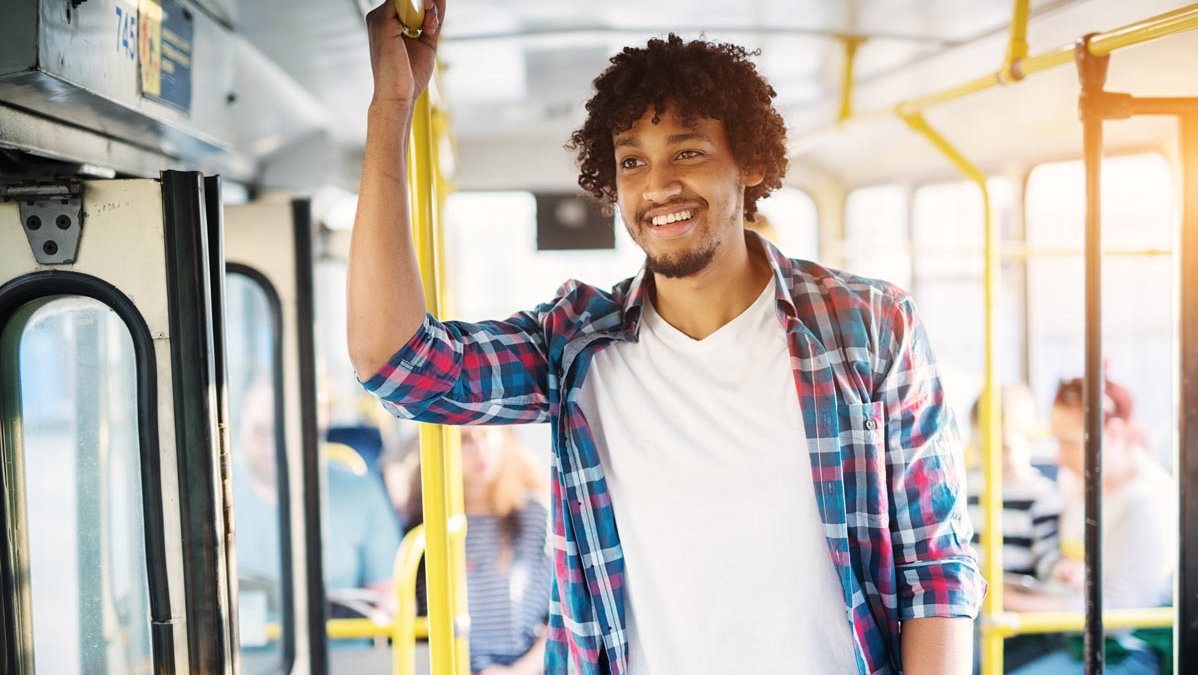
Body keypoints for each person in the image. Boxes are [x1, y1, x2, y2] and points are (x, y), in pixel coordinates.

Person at [349, 3, 985, 672]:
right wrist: (390, 108)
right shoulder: (576, 347)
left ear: (751, 164)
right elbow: (395, 363)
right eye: (631, 162)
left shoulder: (870, 327)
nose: (657, 185)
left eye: (688, 150)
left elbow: (934, 567)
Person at [1006, 377, 1176, 675]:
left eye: (1069, 443)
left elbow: (1120, 615)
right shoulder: (1075, 480)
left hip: (1126, 653)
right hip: (1069, 637)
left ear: (1112, 433)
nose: (1058, 456)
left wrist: (1014, 602)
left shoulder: (1147, 501)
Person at [400, 427, 553, 675]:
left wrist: (517, 672)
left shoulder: (536, 517)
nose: (479, 449)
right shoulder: (425, 528)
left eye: (486, 436)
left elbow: (559, 618)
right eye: (464, 440)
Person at [964, 383, 1067, 670]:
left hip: (1016, 606)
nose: (995, 461)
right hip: (976, 597)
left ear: (1030, 442)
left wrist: (1058, 568)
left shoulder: (1040, 495)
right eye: (985, 450)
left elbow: (1046, 555)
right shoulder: (970, 488)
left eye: (1005, 448)